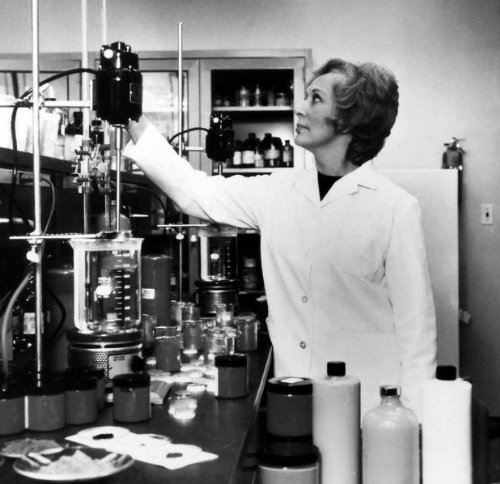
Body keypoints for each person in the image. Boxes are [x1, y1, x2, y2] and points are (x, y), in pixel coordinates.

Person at [124, 58, 437, 418]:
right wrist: (131, 117)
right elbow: (194, 192)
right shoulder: (278, 191)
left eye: (315, 99)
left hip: (371, 408)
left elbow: (417, 333)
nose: (299, 108)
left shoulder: (395, 208)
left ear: (350, 120)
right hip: (293, 398)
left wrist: (416, 422)